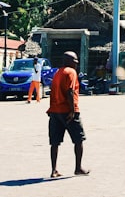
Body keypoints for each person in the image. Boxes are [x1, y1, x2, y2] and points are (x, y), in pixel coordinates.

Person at [47, 51, 88, 179]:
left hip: (54, 111)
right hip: (68, 111)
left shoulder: (58, 73)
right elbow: (70, 92)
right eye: (75, 61)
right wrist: (72, 110)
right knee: (79, 140)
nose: (77, 63)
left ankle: (54, 170)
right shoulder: (71, 72)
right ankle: (78, 168)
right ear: (69, 62)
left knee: (55, 142)